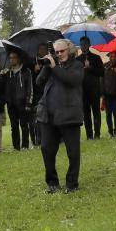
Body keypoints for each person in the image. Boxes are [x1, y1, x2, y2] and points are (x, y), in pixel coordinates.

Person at [36, 38, 84, 193]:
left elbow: (70, 80)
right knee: (46, 149)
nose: (59, 54)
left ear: (69, 50)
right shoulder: (51, 66)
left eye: (62, 51)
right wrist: (46, 67)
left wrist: (55, 67)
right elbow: (39, 82)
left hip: (69, 114)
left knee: (73, 151)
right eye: (56, 52)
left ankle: (72, 184)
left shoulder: (76, 65)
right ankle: (52, 183)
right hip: (48, 115)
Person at [3, 51, 34, 149]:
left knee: (24, 125)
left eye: (14, 57)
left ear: (18, 58)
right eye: (10, 58)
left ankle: (25, 145)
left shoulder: (26, 71)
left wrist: (29, 102)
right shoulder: (8, 72)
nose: (12, 59)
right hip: (11, 103)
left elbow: (30, 87)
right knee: (13, 126)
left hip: (23, 102)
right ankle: (16, 146)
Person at [80, 46, 103, 140]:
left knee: (96, 112)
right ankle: (89, 135)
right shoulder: (78, 59)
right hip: (83, 91)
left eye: (85, 44)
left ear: (88, 44)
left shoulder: (96, 58)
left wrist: (90, 68)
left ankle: (97, 133)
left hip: (94, 89)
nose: (83, 46)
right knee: (86, 114)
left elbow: (101, 72)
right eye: (81, 44)